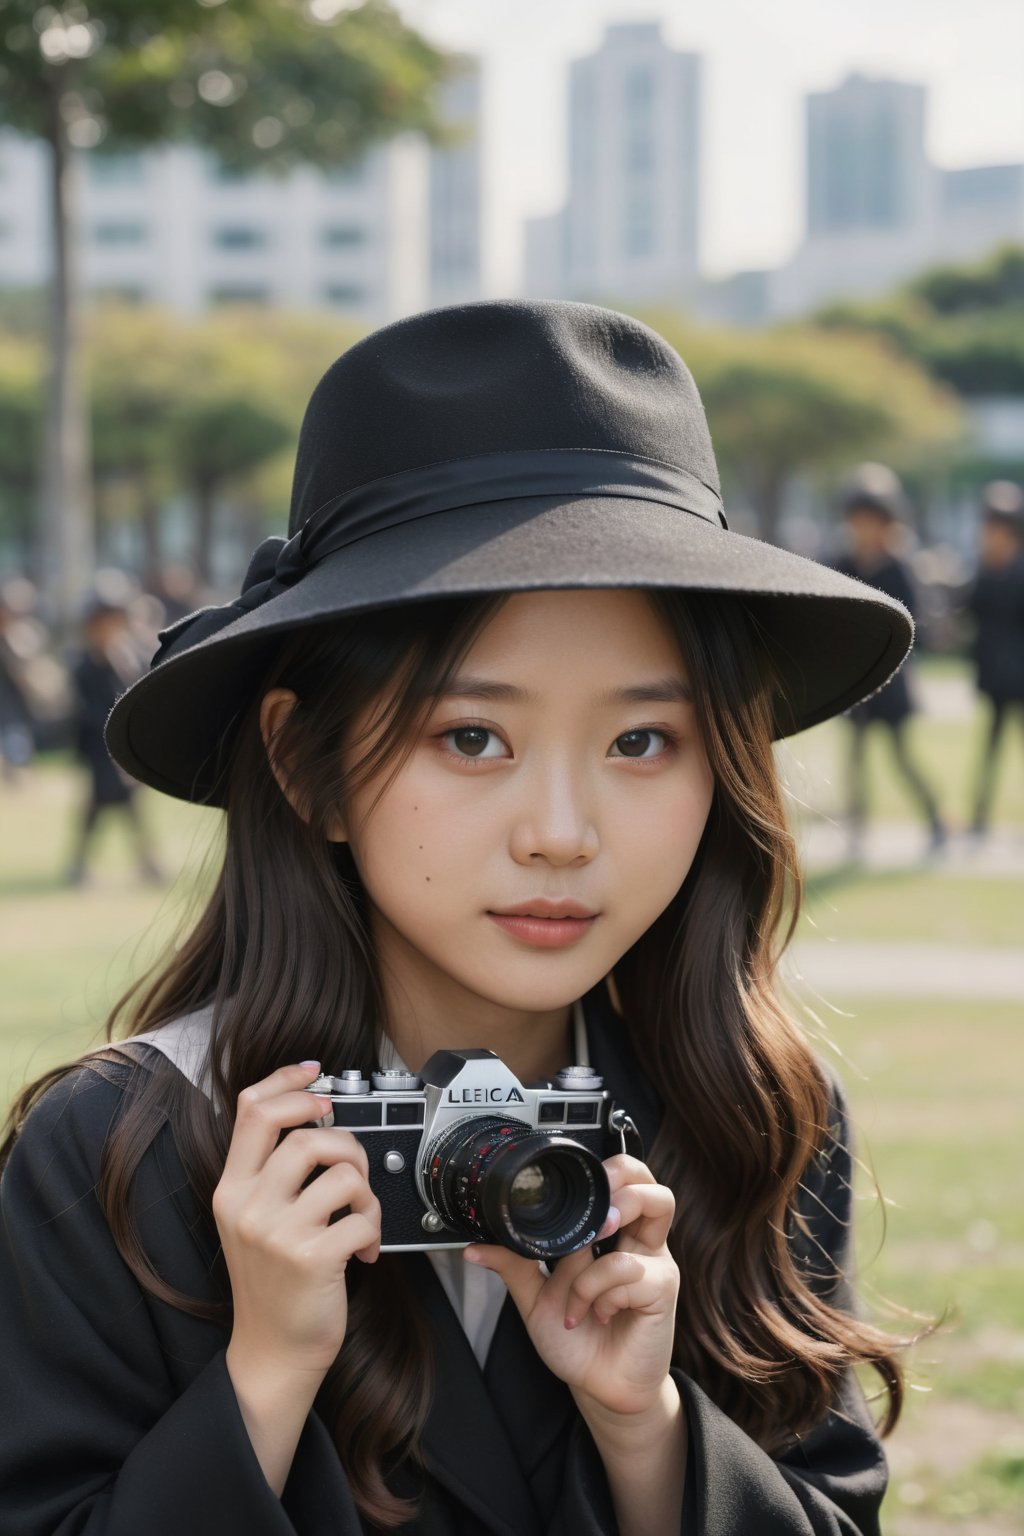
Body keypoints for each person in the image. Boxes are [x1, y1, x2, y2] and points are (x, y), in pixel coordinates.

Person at [0, 303, 916, 1536]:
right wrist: (263, 1382)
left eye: (641, 740)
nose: (560, 831)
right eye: (470, 736)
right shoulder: (123, 1155)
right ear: (306, 765)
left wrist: (646, 1435)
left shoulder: (747, 1115)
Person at [830, 464, 947, 858]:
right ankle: (856, 830)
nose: (863, 528)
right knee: (855, 760)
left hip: (891, 680)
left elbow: (915, 622)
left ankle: (936, 819)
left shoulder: (899, 565)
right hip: (856, 681)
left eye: (870, 520)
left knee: (901, 758)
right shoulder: (842, 561)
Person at [65, 577, 163, 886]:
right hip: (98, 747)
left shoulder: (125, 657)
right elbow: (89, 711)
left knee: (128, 804)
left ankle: (146, 860)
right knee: (99, 804)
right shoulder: (85, 663)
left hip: (120, 743)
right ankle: (80, 865)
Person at [967, 480, 1024, 835]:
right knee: (990, 748)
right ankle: (980, 816)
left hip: (1020, 675)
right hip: (995, 675)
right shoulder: (985, 571)